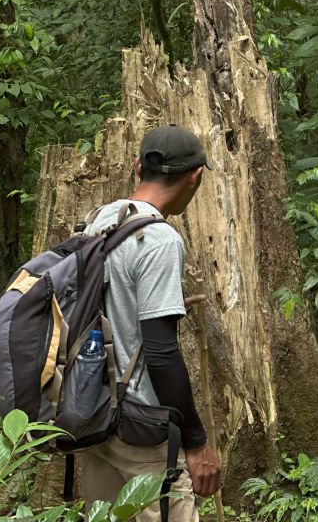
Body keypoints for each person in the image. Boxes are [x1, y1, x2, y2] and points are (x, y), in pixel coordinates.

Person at [80, 124, 222, 520]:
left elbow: (110, 301)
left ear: (136, 166)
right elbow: (160, 353)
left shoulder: (99, 220)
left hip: (94, 415)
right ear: (195, 177)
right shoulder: (158, 240)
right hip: (142, 430)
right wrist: (195, 442)